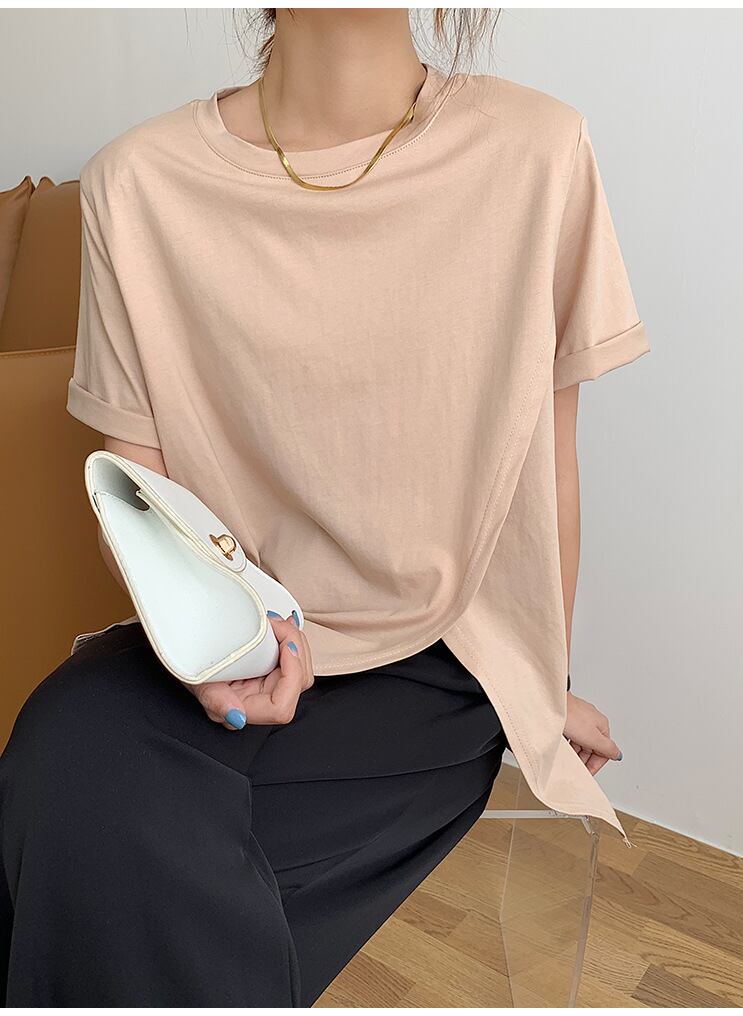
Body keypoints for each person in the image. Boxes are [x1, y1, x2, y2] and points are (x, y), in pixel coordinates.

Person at [0, 8, 649, 1007]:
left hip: (441, 658)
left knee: (106, 861)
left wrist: (539, 680)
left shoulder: (537, 150)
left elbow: (546, 463)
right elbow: (140, 497)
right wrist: (216, 655)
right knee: (66, 748)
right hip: (235, 640)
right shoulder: (137, 183)